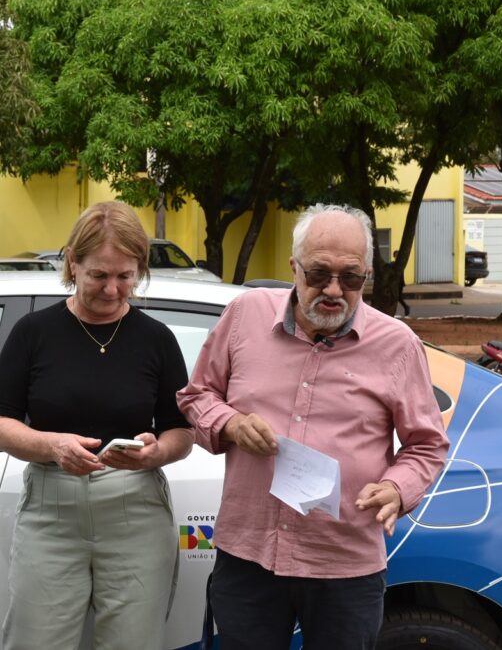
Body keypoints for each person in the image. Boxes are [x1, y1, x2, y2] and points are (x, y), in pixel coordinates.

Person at [177, 203, 450, 650]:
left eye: (351, 278)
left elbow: (427, 444)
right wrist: (229, 423)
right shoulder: (244, 316)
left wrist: (398, 489)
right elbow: (196, 395)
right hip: (249, 556)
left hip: (344, 564)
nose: (334, 290)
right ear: (294, 267)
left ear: (366, 276)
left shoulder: (397, 345)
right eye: (319, 274)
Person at [0, 200, 194, 650]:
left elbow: (182, 432)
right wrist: (52, 446)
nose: (113, 289)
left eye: (126, 276)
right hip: (50, 508)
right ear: (73, 263)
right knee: (34, 641)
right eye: (99, 275)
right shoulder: (34, 332)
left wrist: (157, 451)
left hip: (135, 508)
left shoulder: (156, 338)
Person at [393, 250, 411, 317]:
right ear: (394, 256)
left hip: (400, 283)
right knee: (395, 297)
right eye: (396, 255)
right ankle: (405, 307)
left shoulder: (400, 263)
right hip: (395, 283)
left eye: (398, 255)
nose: (397, 256)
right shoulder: (394, 263)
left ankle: (406, 307)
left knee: (398, 297)